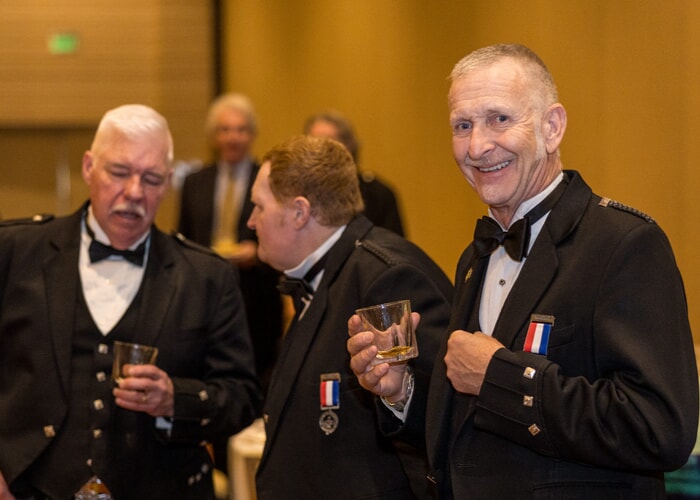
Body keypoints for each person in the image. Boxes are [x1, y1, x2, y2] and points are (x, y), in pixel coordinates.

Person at [348, 43, 699, 498]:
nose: (477, 146)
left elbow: (660, 429)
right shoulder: (475, 258)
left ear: (552, 128)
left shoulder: (623, 244)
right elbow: (471, 433)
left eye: (499, 119)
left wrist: (499, 377)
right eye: (462, 125)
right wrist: (401, 394)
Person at [0, 104, 260, 499]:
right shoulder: (16, 252)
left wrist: (177, 399)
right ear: (89, 167)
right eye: (119, 173)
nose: (134, 192)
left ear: (169, 182)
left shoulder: (207, 276)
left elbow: (241, 398)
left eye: (152, 178)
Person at [248, 135, 452, 499]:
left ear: (299, 212)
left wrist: (401, 393)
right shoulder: (330, 273)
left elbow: (441, 416)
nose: (250, 222)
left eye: (259, 207)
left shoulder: (386, 277)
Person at [304, 110, 406, 236]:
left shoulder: (378, 195)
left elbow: (392, 249)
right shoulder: (297, 193)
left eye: (328, 144)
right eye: (313, 145)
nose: (320, 153)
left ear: (349, 147)